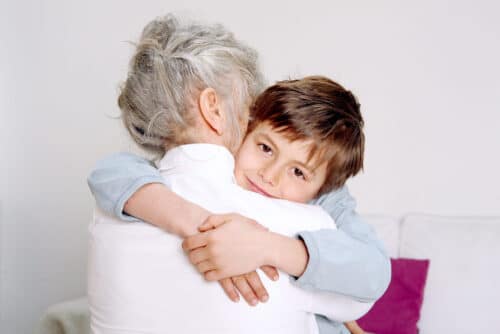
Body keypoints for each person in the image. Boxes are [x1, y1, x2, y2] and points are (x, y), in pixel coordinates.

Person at [88, 14, 380, 334]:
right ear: (214, 109)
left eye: (298, 172)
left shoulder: (121, 201)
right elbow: (110, 172)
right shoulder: (294, 220)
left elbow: (371, 272)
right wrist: (199, 222)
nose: (269, 175)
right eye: (265, 146)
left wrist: (263, 245)